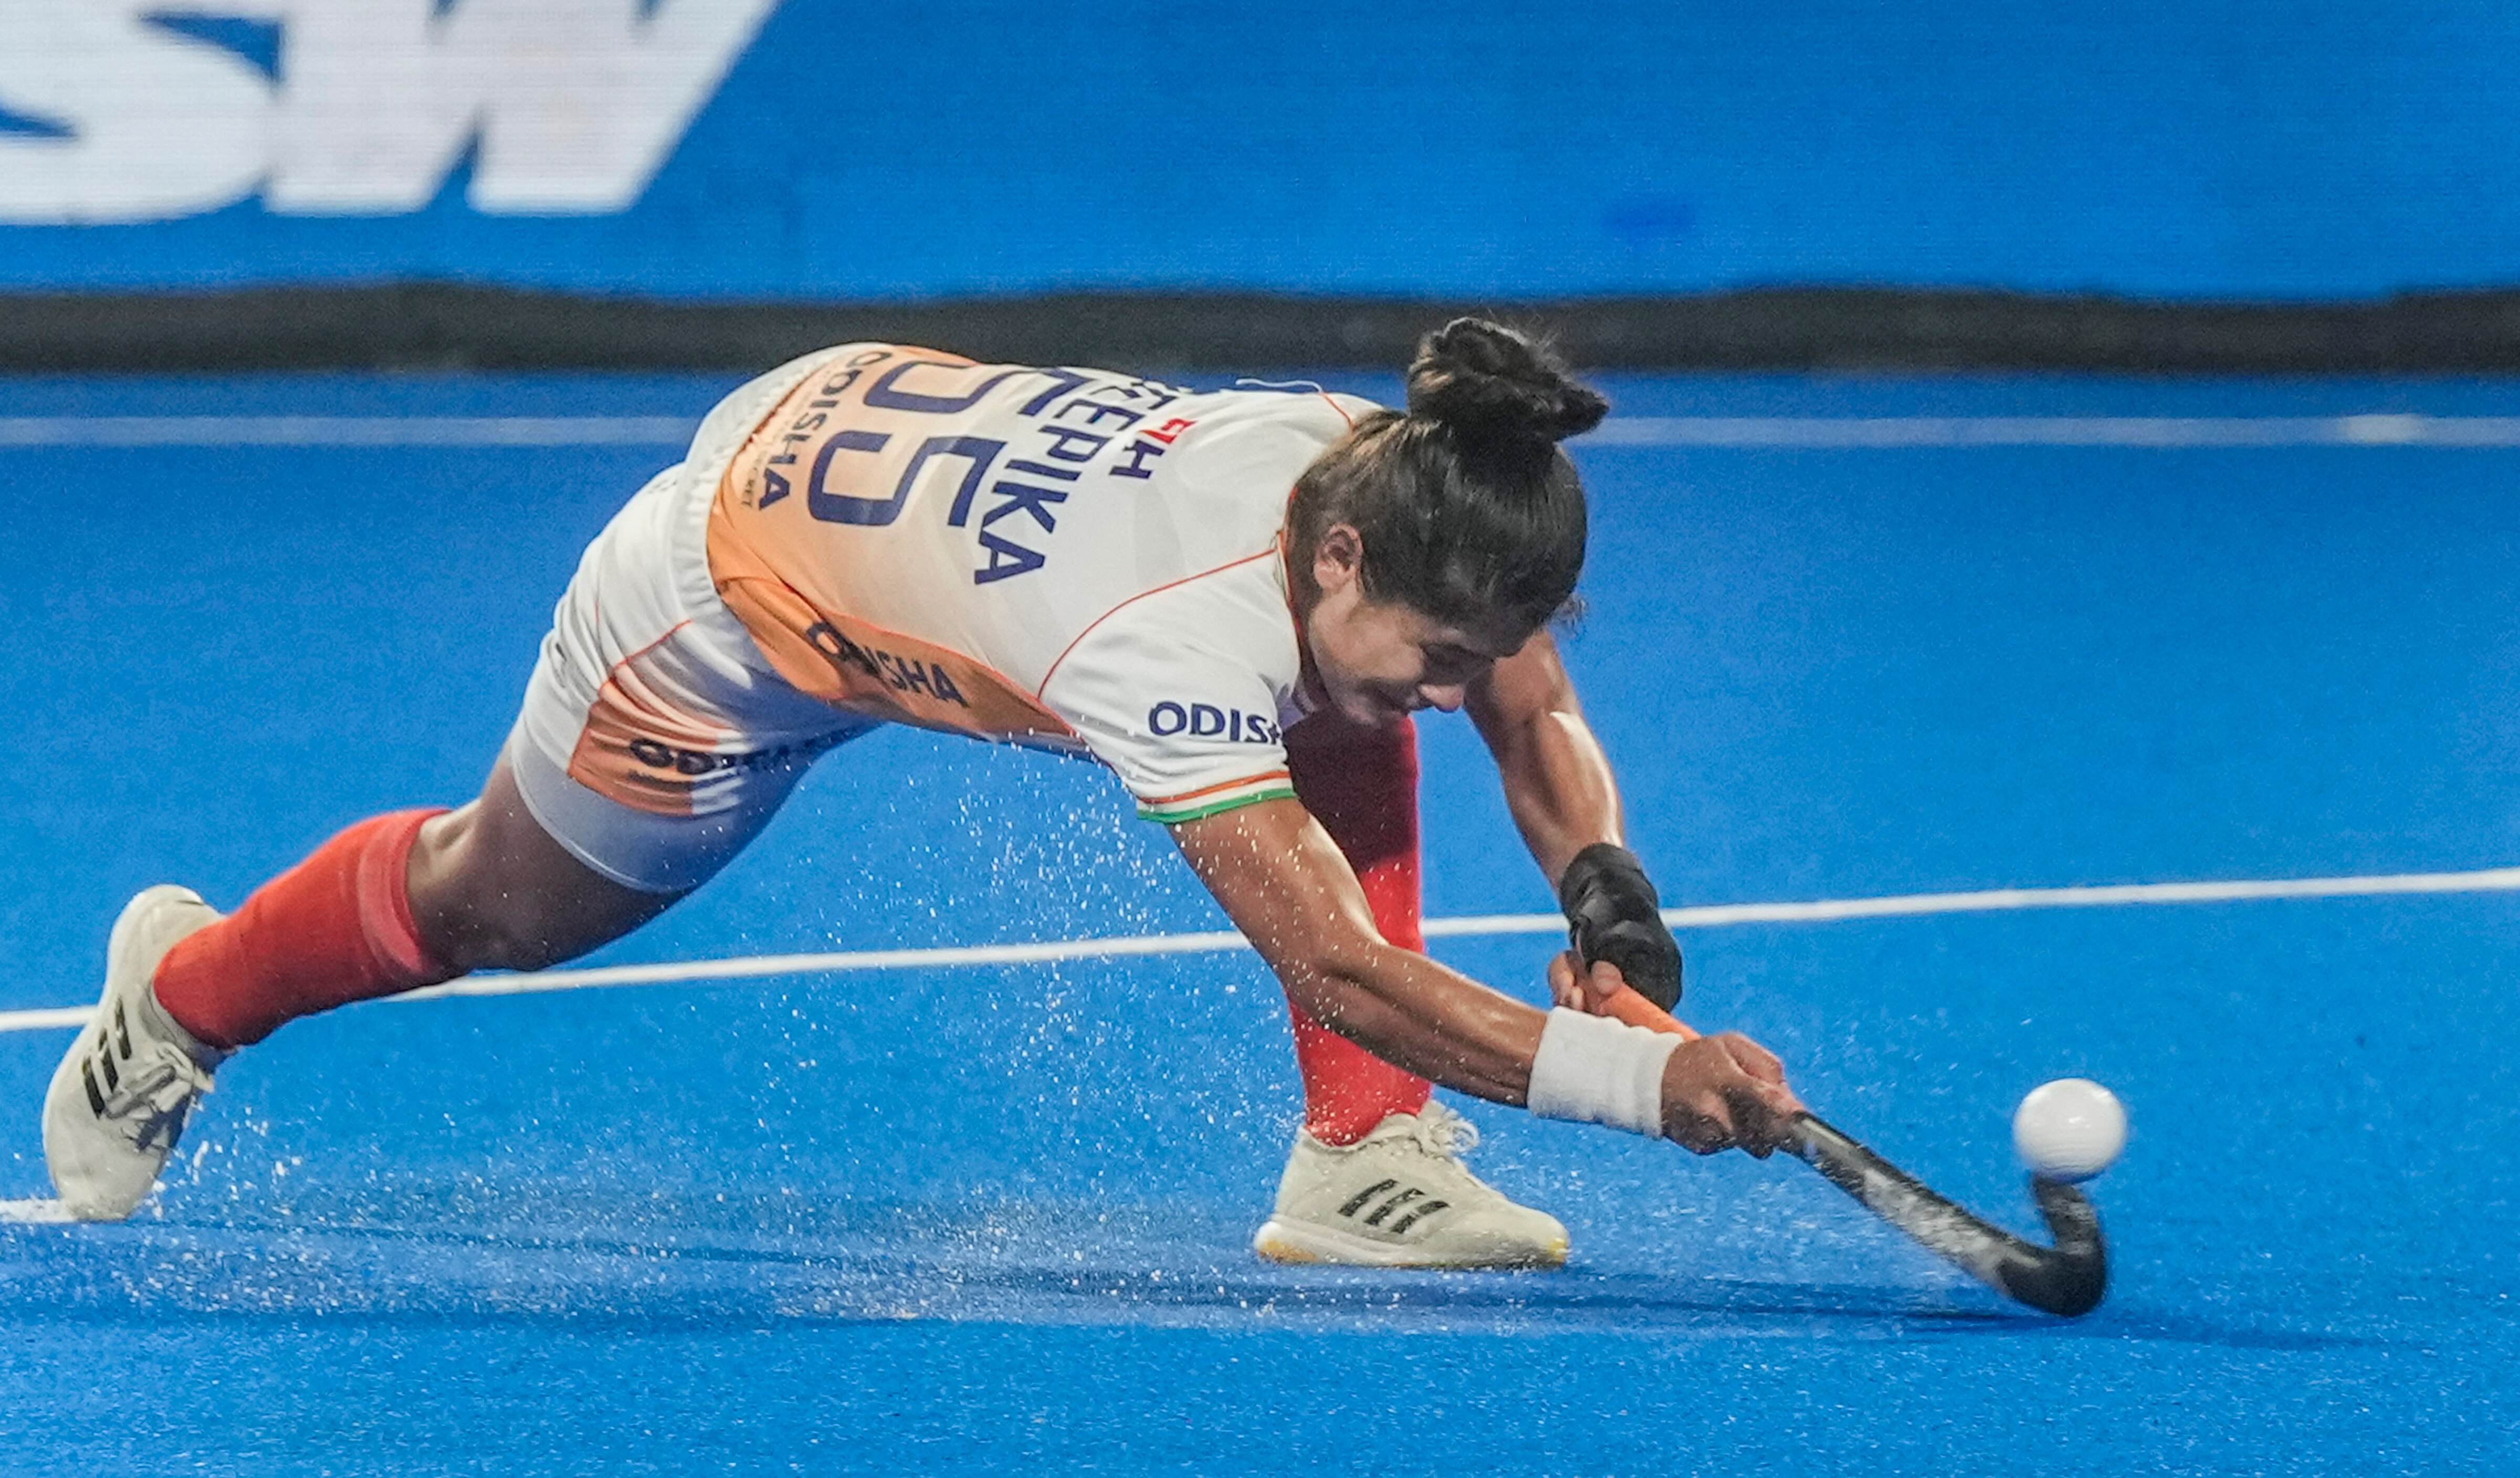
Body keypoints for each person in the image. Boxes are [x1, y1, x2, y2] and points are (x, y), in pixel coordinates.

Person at [43, 318, 1803, 1266]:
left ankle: (1365, 1158)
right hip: (727, 610)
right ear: (1341, 551)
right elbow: (1338, 964)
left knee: (1352, 698)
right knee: (494, 910)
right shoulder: (1166, 645)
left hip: (889, 468)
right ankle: (180, 998)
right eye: (1434, 641)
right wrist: (1633, 1085)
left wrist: (1612, 909)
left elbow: (1522, 694)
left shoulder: (1386, 482)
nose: (1455, 678)